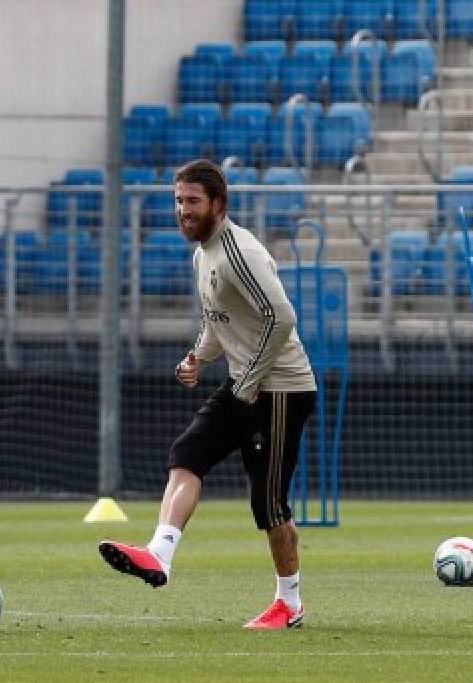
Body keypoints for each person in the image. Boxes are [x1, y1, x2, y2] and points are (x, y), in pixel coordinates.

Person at [99, 159, 317, 629]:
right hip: (244, 383)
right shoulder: (203, 255)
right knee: (186, 454)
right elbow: (218, 322)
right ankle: (159, 555)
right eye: (178, 201)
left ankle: (290, 604)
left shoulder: (239, 250)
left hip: (280, 389)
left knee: (269, 503)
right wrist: (197, 357)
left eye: (193, 201)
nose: (183, 210)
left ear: (218, 204)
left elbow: (281, 318)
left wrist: (251, 382)